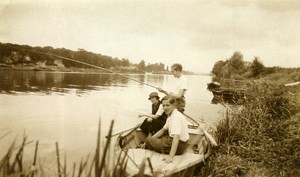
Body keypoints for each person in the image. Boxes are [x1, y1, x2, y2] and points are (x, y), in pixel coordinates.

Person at [145, 95, 189, 163]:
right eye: (163, 105)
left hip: (179, 145)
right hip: (180, 142)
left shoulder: (176, 117)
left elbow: (176, 137)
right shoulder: (171, 115)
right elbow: (162, 131)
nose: (165, 108)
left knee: (148, 140)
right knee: (153, 139)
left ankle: (149, 145)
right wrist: (152, 139)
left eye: (167, 105)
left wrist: (170, 157)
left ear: (173, 105)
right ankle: (150, 143)